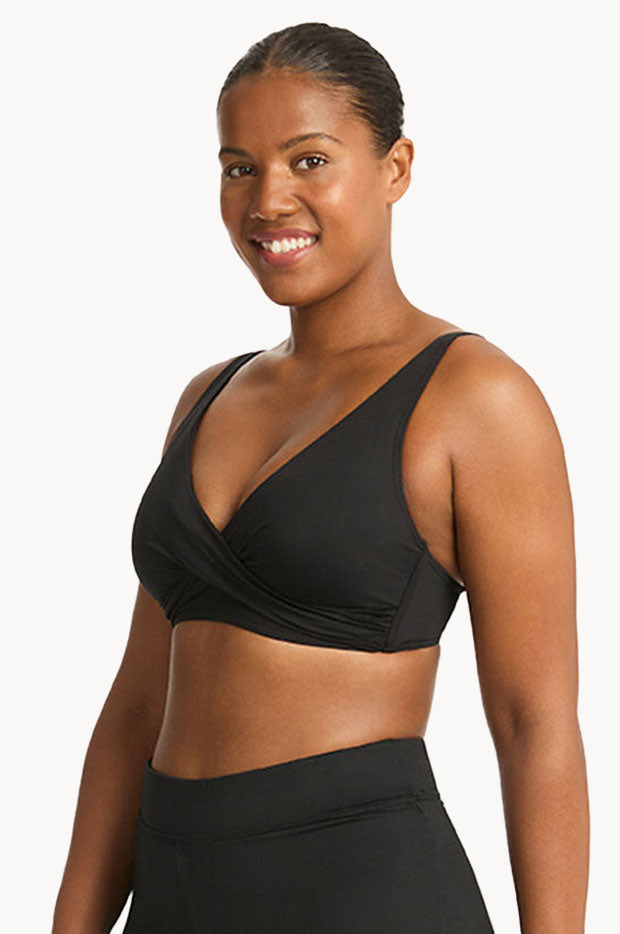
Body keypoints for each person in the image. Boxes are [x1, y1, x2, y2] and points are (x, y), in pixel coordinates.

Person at [53, 22, 589, 934]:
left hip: (363, 895)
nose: (269, 200)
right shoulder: (206, 397)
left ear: (396, 168)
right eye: (239, 168)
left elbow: (532, 721)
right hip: (173, 894)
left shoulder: (476, 399)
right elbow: (137, 705)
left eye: (309, 160)